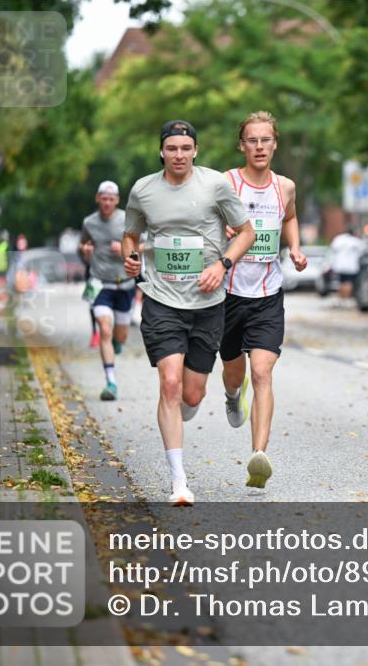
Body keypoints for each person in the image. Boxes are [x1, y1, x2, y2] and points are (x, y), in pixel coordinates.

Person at [122, 120, 255, 506]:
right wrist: (130, 259)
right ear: (161, 151)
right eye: (172, 148)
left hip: (207, 305)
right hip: (162, 301)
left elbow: (245, 232)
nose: (179, 154)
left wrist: (223, 265)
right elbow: (130, 235)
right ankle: (179, 482)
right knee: (170, 385)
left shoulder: (215, 185)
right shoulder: (144, 190)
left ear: (195, 150)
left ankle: (203, 401)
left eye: (186, 148)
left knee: (192, 395)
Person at [218, 111, 307, 490]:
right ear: (242, 145)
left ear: (275, 144)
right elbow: (206, 218)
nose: (259, 146)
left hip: (269, 294)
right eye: (252, 140)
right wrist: (219, 226)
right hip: (229, 294)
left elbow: (290, 217)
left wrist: (297, 248)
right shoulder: (226, 183)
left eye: (265, 140)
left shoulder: (284, 186)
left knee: (262, 372)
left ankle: (259, 456)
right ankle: (231, 395)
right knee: (235, 370)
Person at [79, 180, 136, 401]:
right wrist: (85, 249)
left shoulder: (126, 220)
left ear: (117, 201)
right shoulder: (89, 222)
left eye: (111, 199)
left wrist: (124, 249)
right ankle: (111, 382)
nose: (107, 202)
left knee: (119, 336)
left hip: (124, 284)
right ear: (97, 199)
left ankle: (116, 345)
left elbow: (143, 246)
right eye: (104, 198)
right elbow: (82, 243)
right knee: (104, 328)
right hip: (99, 283)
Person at [329, 226, 365, 303]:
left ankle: (341, 299)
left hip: (340, 265)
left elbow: (332, 249)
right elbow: (362, 252)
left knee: (341, 282)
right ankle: (346, 298)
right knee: (349, 283)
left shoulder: (339, 239)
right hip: (352, 266)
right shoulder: (357, 241)